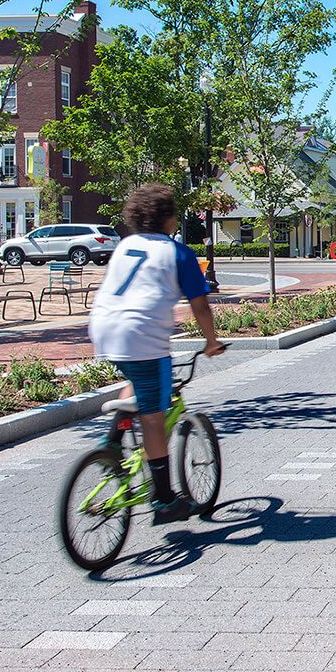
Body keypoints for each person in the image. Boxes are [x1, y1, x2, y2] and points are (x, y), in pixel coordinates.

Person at [89, 184, 226, 524]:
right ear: (168, 218)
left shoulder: (125, 245)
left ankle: (113, 443)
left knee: (136, 381)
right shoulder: (176, 253)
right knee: (153, 415)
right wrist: (211, 342)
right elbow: (200, 305)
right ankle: (164, 499)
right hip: (142, 335)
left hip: (104, 327)